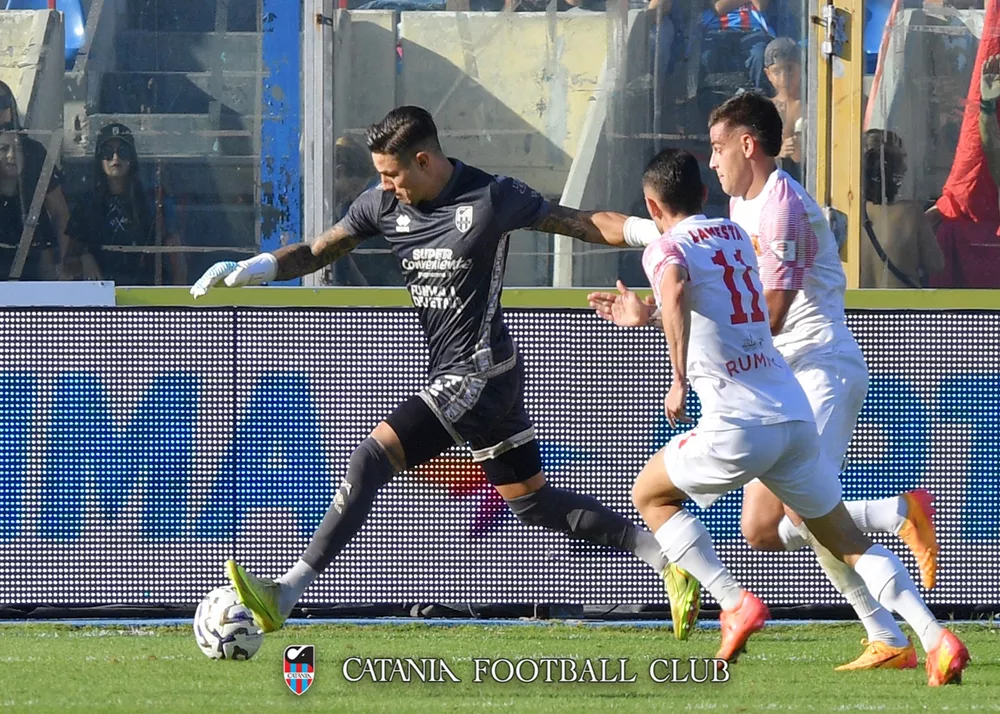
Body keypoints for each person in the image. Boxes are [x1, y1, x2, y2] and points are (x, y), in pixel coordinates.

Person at [190, 105, 685, 635]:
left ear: (423, 161)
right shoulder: (382, 204)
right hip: (481, 375)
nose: (385, 185)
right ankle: (669, 561)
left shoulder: (490, 197)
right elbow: (317, 250)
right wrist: (258, 267)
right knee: (534, 503)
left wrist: (657, 233)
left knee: (371, 457)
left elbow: (579, 222)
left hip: (476, 373)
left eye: (392, 174)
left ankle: (285, 592)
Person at [593, 147, 968, 685]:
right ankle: (935, 638)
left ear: (653, 206)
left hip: (738, 422)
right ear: (704, 195)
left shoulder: (664, 248)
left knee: (649, 495)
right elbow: (717, 305)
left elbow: (674, 287)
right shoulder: (733, 234)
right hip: (790, 414)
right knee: (842, 539)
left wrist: (675, 375)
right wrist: (650, 315)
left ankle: (732, 601)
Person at [66, 122, 186, 285]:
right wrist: (83, 259)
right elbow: (67, 264)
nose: (115, 158)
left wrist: (177, 298)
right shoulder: (87, 205)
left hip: (149, 293)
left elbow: (177, 257)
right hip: (103, 295)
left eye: (123, 151)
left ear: (132, 158)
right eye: (107, 152)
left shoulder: (154, 200)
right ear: (99, 158)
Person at [0, 81, 72, 280]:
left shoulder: (34, 152)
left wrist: (63, 262)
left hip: (34, 253)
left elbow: (60, 212)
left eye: (2, 104)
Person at [861, 129, 944, 288]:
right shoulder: (910, 214)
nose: (905, 168)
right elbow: (936, 264)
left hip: (853, 302)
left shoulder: (847, 215)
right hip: (902, 302)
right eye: (901, 161)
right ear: (892, 170)